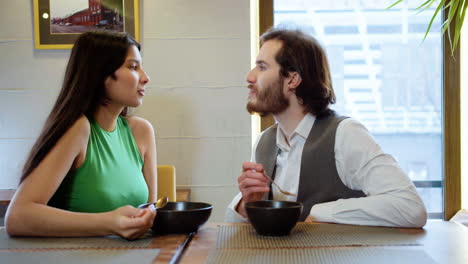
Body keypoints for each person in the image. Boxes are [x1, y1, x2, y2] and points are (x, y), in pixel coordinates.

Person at [225, 28, 427, 227]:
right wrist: (247, 204)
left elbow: (410, 208)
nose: (250, 77)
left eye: (262, 67)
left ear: (293, 80)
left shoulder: (345, 134)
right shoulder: (264, 142)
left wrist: (319, 212)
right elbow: (235, 227)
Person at [5, 31, 157, 239]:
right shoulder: (79, 129)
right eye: (132, 67)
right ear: (101, 74)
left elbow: (152, 212)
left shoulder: (142, 132)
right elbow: (17, 217)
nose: (146, 78)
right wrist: (110, 223)